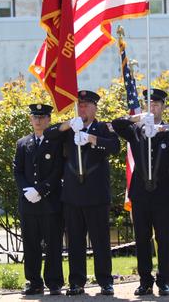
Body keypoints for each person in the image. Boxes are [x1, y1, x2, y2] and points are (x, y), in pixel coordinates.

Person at [112, 88, 169, 297]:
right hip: (140, 193)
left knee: (163, 238)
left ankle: (164, 281)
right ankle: (145, 281)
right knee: (142, 238)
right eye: (150, 105)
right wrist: (138, 118)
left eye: (156, 105)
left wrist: (160, 130)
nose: (153, 108)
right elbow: (117, 124)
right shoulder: (136, 131)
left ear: (163, 107)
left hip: (162, 193)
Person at [44, 90, 120, 296]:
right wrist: (69, 124)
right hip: (73, 195)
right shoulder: (70, 128)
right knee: (75, 242)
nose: (82, 108)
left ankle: (105, 281)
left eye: (86, 105)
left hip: (96, 195)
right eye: (79, 105)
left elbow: (115, 146)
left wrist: (90, 138)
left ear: (95, 108)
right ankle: (77, 282)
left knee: (100, 241)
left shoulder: (103, 127)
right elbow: (48, 133)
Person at [13, 104, 64, 296]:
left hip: (50, 203)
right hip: (28, 203)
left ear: (49, 120)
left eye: (42, 117)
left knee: (53, 245)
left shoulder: (55, 143)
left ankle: (54, 282)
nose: (38, 120)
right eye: (35, 117)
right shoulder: (22, 143)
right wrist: (27, 191)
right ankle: (34, 282)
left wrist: (41, 190)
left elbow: (58, 170)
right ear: (30, 119)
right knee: (31, 244)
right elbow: (17, 171)